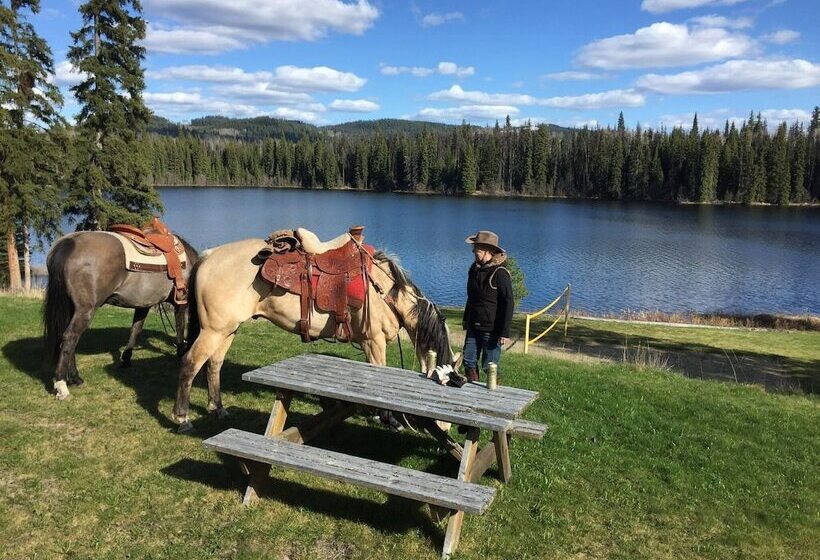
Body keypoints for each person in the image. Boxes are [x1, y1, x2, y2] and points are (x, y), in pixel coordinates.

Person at [462, 230, 514, 382]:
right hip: (473, 325)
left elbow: (508, 302)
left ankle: (494, 397)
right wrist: (466, 319)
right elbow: (471, 298)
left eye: (476, 249)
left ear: (488, 251)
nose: (473, 251)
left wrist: (505, 332)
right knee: (469, 361)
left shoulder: (500, 273)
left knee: (489, 366)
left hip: (492, 329)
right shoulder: (474, 269)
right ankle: (473, 394)